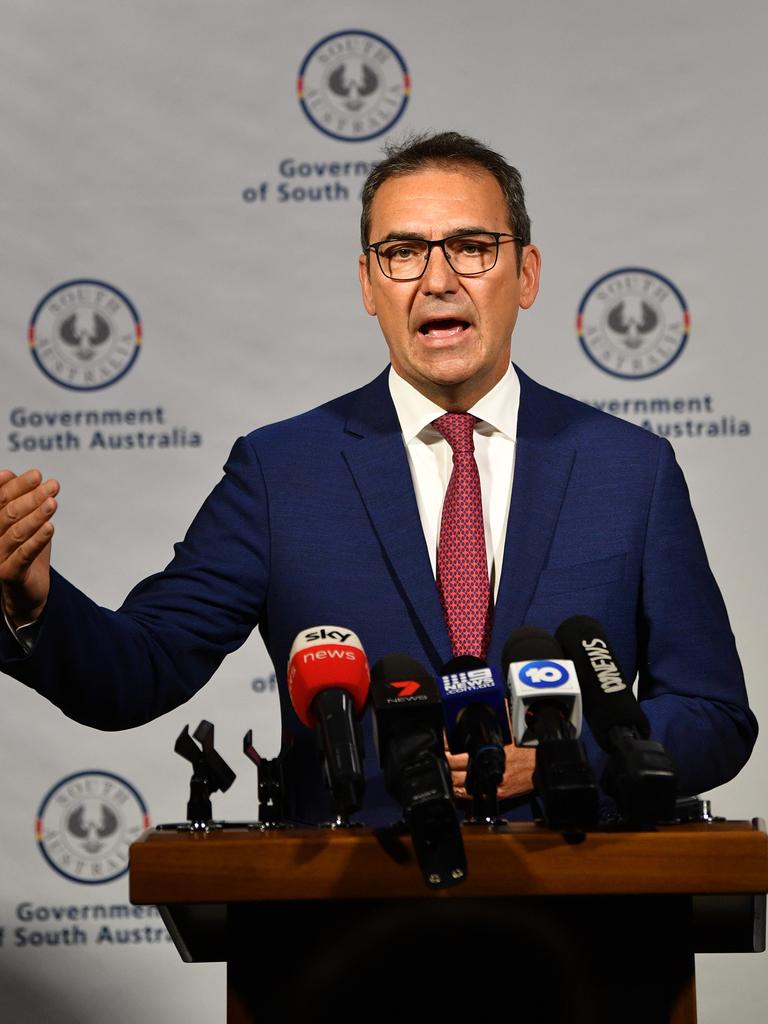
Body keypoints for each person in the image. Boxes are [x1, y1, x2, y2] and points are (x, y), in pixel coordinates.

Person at [0, 132, 757, 824]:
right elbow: (138, 671)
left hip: (587, 923)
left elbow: (714, 715)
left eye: (471, 246)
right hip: (348, 928)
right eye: (402, 252)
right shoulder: (281, 472)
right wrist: (31, 604)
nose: (437, 280)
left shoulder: (629, 468)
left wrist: (570, 758)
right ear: (368, 284)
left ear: (525, 274)